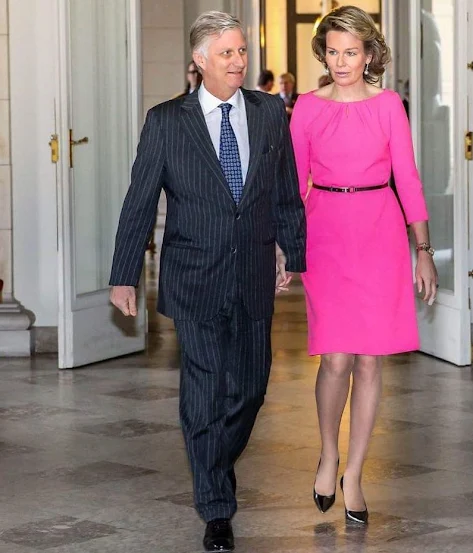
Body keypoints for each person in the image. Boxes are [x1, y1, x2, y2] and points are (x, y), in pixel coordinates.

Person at [109, 11, 306, 552]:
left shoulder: (269, 113)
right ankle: (216, 508)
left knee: (250, 387)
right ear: (200, 61)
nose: (239, 62)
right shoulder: (167, 121)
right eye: (227, 53)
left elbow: (284, 190)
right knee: (202, 388)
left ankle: (213, 462)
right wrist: (124, 274)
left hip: (252, 269)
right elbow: (139, 201)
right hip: (193, 275)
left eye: (242, 51)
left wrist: (294, 252)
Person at [289, 6, 438, 525]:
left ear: (370, 54)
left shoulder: (388, 105)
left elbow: (410, 179)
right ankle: (328, 452)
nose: (341, 61)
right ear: (323, 53)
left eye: (351, 52)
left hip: (380, 232)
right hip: (325, 229)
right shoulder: (307, 107)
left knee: (371, 360)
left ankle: (355, 471)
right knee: (334, 358)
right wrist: (285, 248)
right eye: (332, 51)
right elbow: (291, 184)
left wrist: (424, 251)